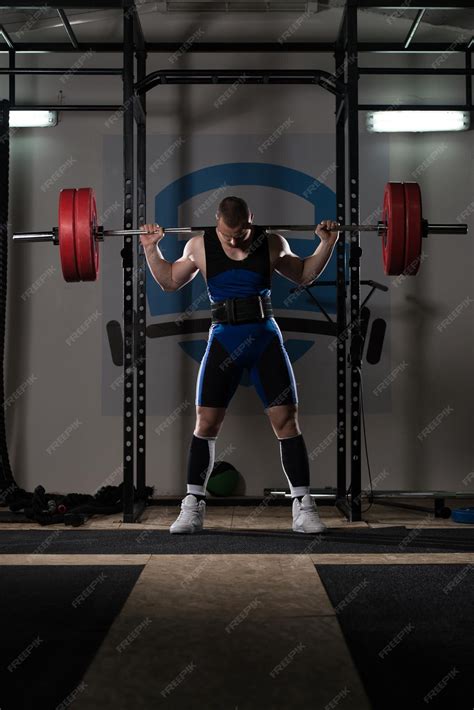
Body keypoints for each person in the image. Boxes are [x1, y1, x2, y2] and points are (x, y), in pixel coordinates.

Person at [139, 196, 340, 534]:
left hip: (264, 340)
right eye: (227, 234)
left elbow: (303, 274)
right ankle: (192, 506)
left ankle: (304, 507)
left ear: (252, 220)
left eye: (241, 232)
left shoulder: (272, 242)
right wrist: (150, 248)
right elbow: (170, 281)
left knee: (286, 421)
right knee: (206, 423)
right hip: (223, 341)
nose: (234, 240)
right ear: (217, 222)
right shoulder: (199, 245)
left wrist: (327, 244)